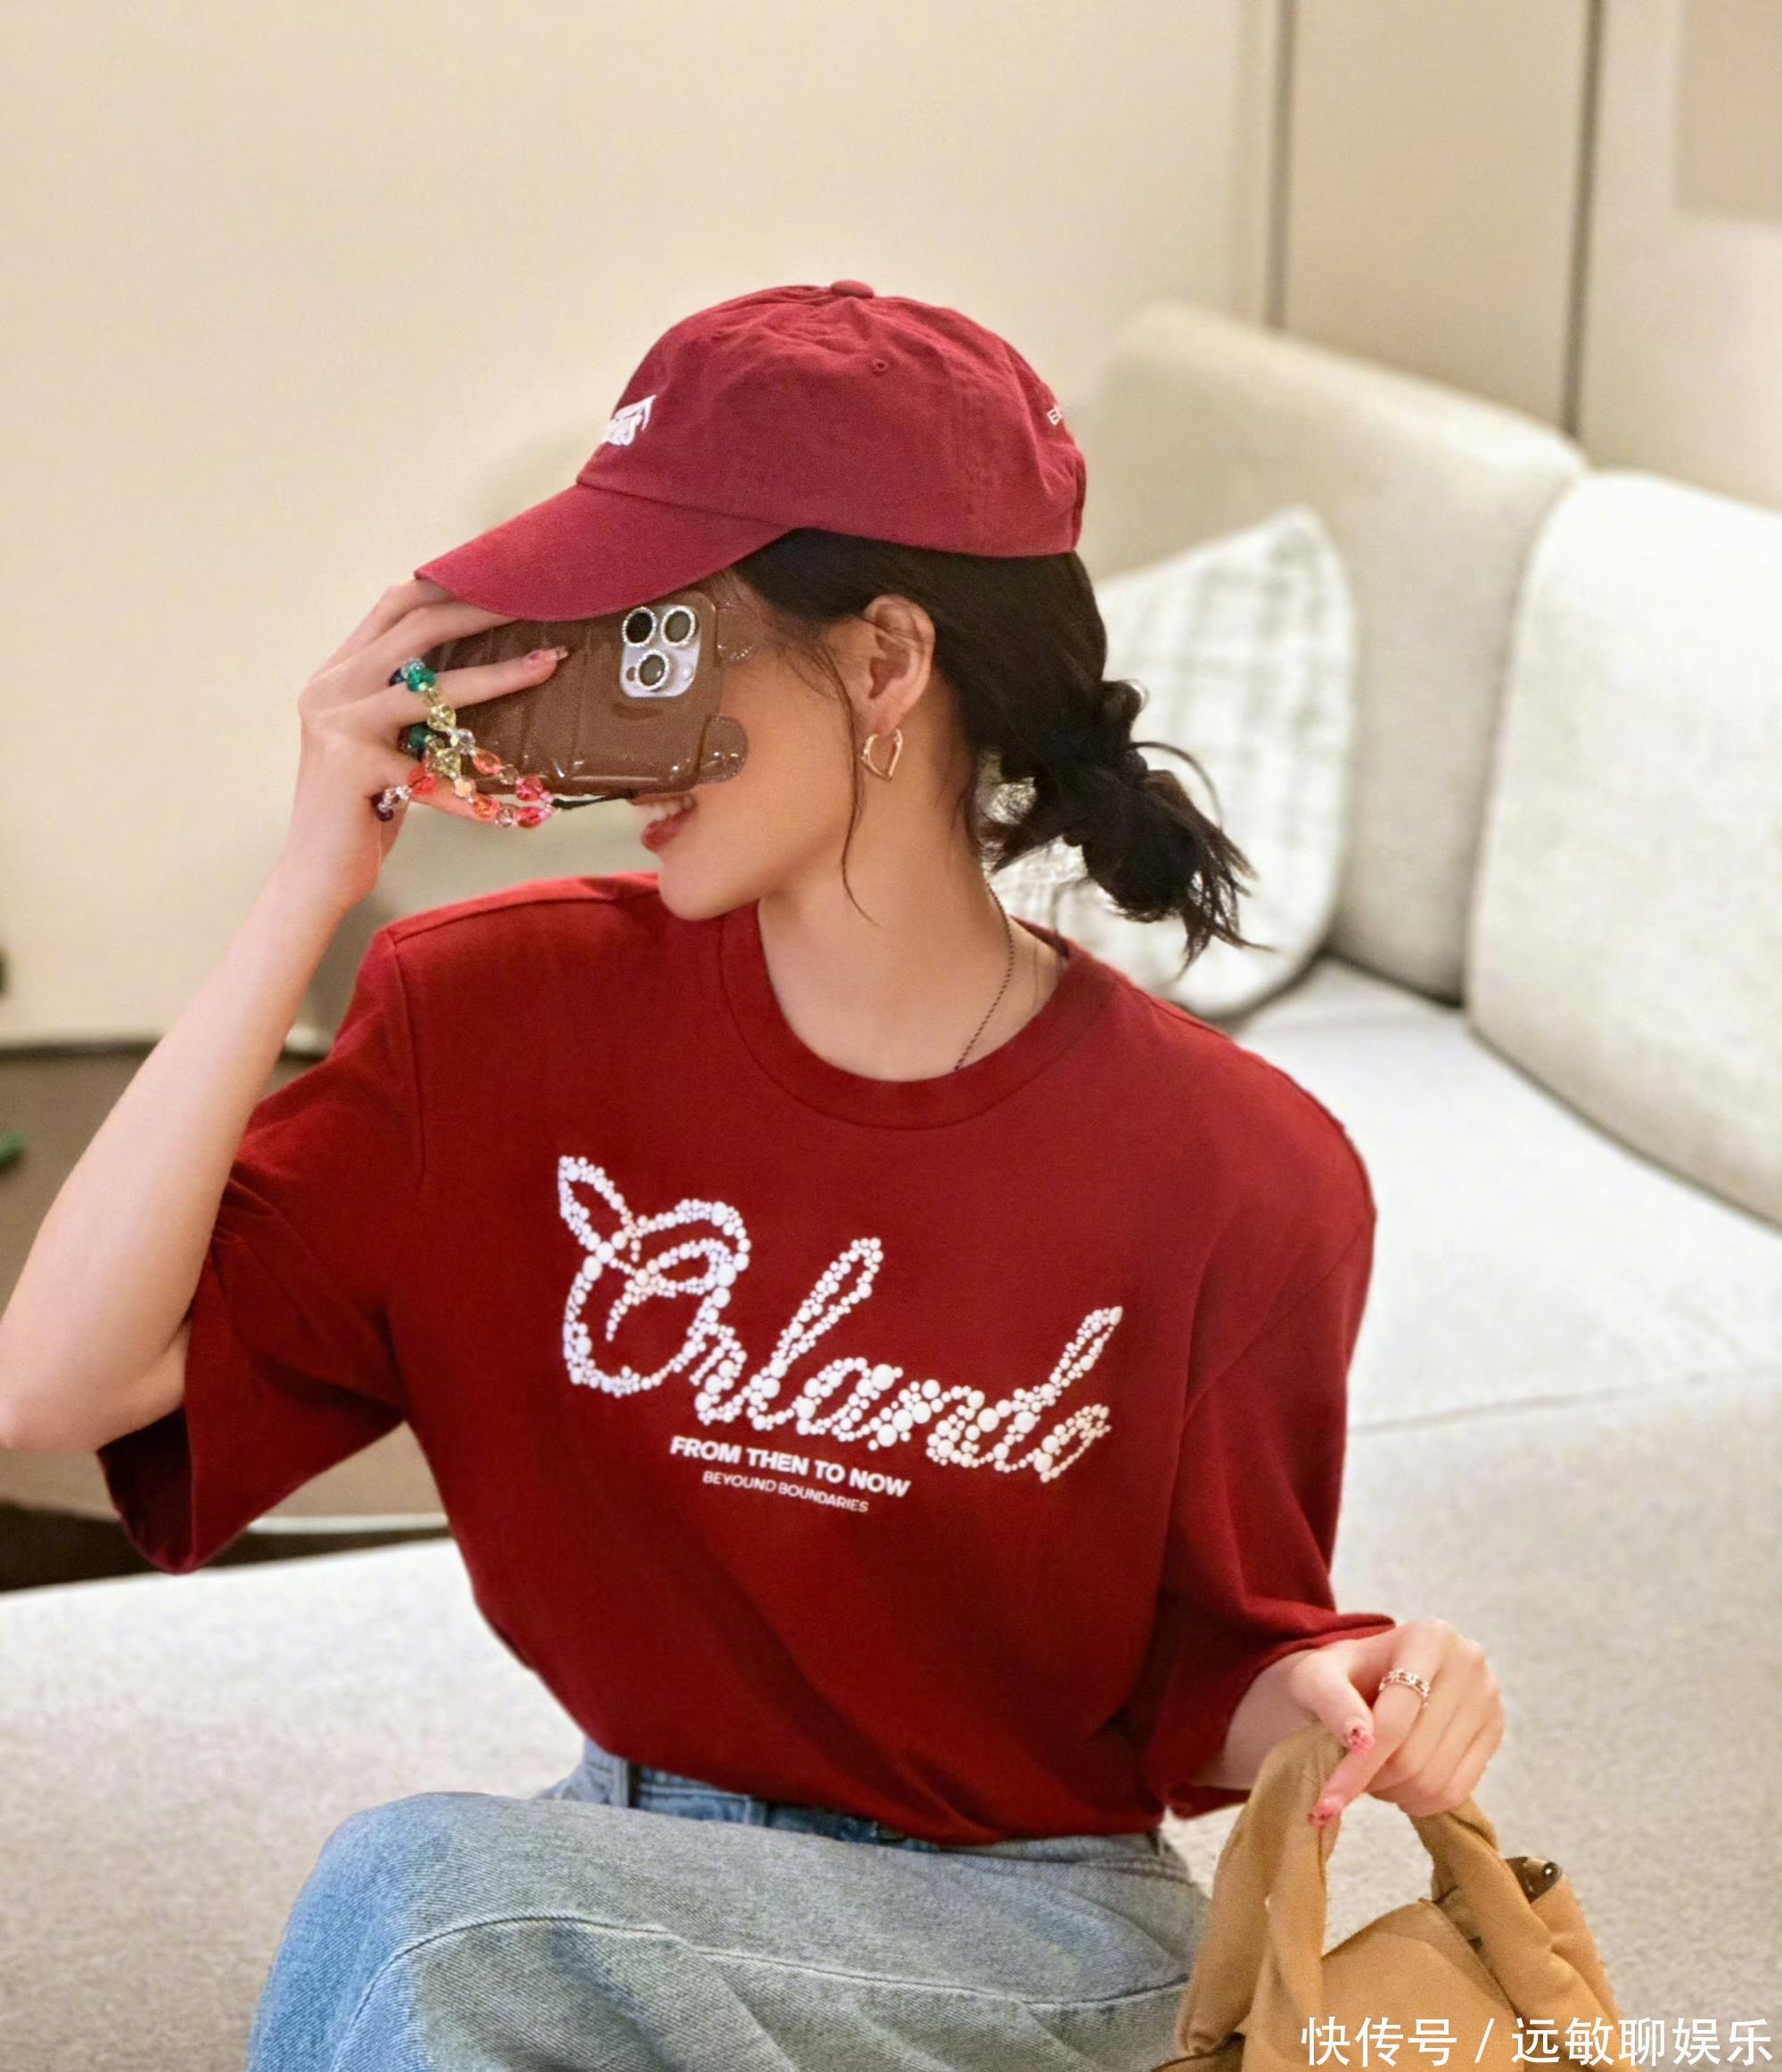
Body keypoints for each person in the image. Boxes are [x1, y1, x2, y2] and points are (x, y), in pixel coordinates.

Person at [0, 281, 1504, 2070]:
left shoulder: (1242, 1172)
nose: (613, 714)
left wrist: (1347, 1697)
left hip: (1032, 1933)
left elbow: (1210, 1673)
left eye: (662, 640)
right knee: (471, 1943)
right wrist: (306, 878)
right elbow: (55, 1385)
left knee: (432, 1902)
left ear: (883, 664)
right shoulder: (492, 1021)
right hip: (631, 1868)